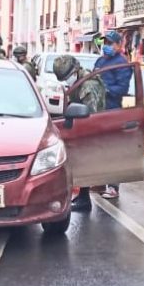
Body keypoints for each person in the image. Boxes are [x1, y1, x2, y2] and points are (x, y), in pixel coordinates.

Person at [53, 56, 106, 212]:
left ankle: (84, 198)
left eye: (67, 77)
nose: (67, 81)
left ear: (75, 71)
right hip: (83, 127)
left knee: (85, 161)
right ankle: (83, 196)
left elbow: (91, 114)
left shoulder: (88, 86)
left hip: (92, 129)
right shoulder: (78, 82)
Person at [94, 30, 133, 199]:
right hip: (97, 111)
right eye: (105, 43)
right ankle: (98, 181)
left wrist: (105, 90)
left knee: (112, 149)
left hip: (112, 110)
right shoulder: (100, 61)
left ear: (118, 45)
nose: (106, 46)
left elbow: (122, 89)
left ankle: (113, 186)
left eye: (110, 43)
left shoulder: (121, 64)